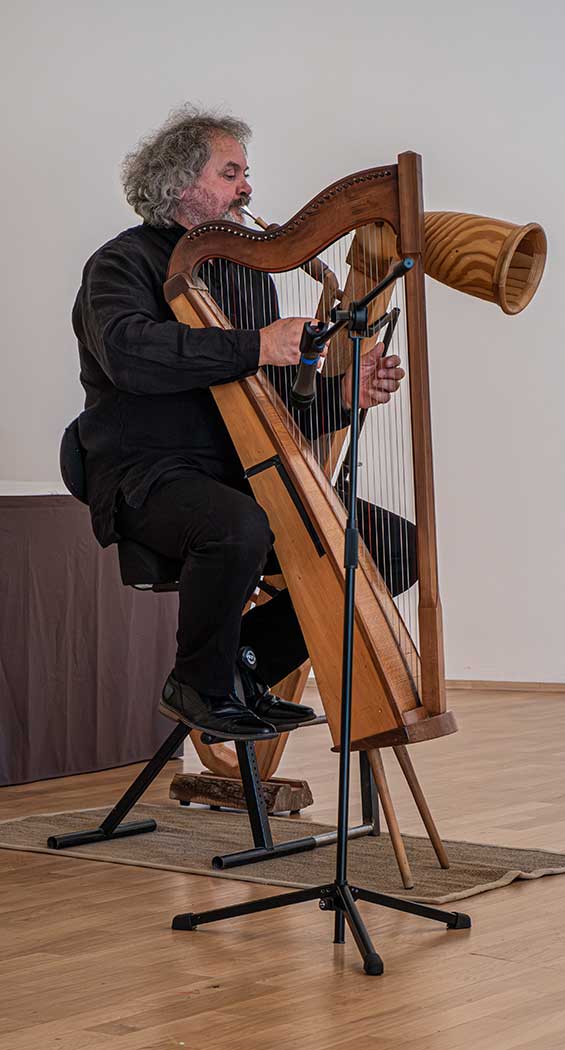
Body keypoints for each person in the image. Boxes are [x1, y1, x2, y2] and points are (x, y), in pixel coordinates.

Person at [72, 105, 407, 742]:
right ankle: (199, 682)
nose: (247, 187)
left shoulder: (247, 278)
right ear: (179, 184)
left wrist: (344, 395)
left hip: (240, 473)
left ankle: (243, 666)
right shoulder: (119, 265)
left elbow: (274, 399)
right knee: (239, 526)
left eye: (246, 173)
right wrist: (258, 345)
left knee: (390, 545)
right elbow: (128, 355)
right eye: (231, 173)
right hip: (147, 478)